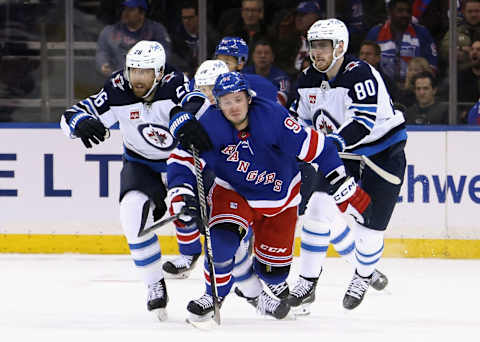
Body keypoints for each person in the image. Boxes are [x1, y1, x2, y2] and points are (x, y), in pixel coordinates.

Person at [167, 71, 372, 322]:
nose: (233, 107)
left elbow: (322, 148)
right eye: (226, 101)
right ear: (217, 103)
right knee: (221, 241)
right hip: (233, 190)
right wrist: (181, 193)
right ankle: (213, 295)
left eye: (238, 99)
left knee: (273, 273)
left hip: (280, 199)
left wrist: (340, 179)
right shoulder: (208, 124)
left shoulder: (274, 119)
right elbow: (181, 160)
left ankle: (261, 280)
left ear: (249, 99)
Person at [60, 40, 190, 320]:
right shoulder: (117, 88)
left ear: (159, 72)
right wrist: (77, 123)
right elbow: (71, 113)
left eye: (144, 72)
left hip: (183, 161)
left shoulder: (176, 83)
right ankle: (154, 284)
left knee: (209, 221)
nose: (137, 78)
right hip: (141, 164)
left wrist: (189, 117)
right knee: (131, 217)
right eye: (133, 71)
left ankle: (248, 282)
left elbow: (200, 107)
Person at [289, 18, 407, 310]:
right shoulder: (307, 79)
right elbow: (299, 121)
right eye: (313, 45)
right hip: (343, 154)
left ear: (339, 47)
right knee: (316, 208)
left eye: (323, 46)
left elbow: (363, 123)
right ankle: (307, 281)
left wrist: (328, 146)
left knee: (370, 233)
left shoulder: (359, 73)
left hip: (383, 153)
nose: (316, 52)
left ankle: (363, 275)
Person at [161, 38, 279, 278]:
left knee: (235, 238)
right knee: (183, 204)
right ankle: (189, 252)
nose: (208, 96)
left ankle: (254, 279)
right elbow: (185, 112)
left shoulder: (251, 94)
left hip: (240, 175)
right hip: (209, 169)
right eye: (203, 89)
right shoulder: (200, 99)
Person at [365, 0, 438, 88]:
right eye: (400, 11)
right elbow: (366, 63)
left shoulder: (421, 33)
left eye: (408, 11)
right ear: (390, 12)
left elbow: (432, 66)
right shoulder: (376, 33)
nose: (405, 15)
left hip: (415, 89)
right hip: (382, 87)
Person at [96, 0, 172, 77]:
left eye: (131, 9)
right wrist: (103, 64)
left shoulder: (156, 31)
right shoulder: (110, 31)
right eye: (124, 9)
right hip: (117, 79)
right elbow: (102, 52)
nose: (125, 13)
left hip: (147, 79)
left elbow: (164, 52)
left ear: (142, 13)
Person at [171, 0, 219, 78]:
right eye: (184, 18)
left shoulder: (210, 34)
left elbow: (216, 54)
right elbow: (174, 57)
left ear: (199, 17)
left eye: (190, 17)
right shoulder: (177, 35)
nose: (187, 21)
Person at [242, 39, 291, 106]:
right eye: (259, 53)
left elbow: (281, 101)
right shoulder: (243, 75)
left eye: (267, 53)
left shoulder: (281, 77)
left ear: (272, 57)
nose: (263, 56)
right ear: (253, 56)